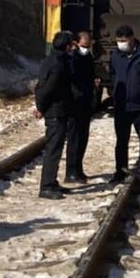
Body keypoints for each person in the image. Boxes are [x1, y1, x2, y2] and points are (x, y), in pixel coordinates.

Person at [109, 24, 140, 184]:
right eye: (118, 40)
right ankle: (120, 170)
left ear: (132, 39)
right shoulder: (115, 56)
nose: (121, 43)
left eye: (124, 40)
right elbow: (113, 75)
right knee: (121, 140)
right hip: (121, 106)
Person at [34, 30, 75, 199]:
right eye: (71, 45)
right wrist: (41, 107)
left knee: (55, 147)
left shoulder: (52, 60)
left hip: (56, 110)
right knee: (53, 149)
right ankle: (46, 186)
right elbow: (46, 90)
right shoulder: (58, 66)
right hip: (56, 111)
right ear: (66, 46)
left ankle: (52, 181)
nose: (73, 48)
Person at [65, 30, 98, 183]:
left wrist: (94, 82)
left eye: (88, 45)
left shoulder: (88, 57)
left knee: (82, 137)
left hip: (85, 102)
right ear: (76, 43)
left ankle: (78, 168)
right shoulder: (72, 58)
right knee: (73, 138)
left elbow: (89, 75)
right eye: (84, 45)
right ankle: (70, 170)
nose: (86, 48)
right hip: (74, 103)